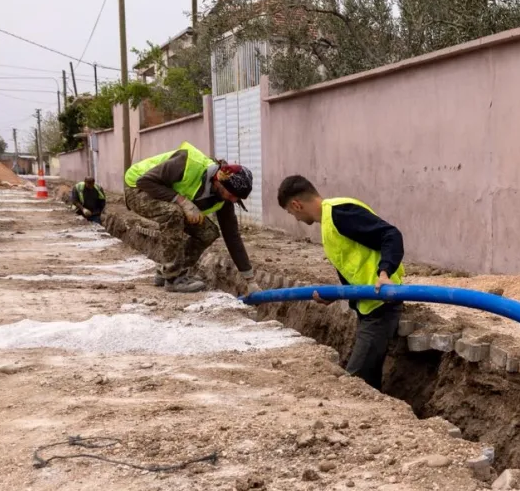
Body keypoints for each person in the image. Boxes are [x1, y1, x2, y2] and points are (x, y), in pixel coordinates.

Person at [276, 175, 404, 391]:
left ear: (297, 205)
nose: (295, 218)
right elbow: (355, 266)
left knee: (354, 383)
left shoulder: (340, 214)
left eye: (291, 212)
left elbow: (391, 235)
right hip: (368, 305)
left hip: (381, 305)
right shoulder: (329, 222)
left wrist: (385, 273)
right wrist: (337, 294)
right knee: (367, 378)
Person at [122, 141, 260, 294]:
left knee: (208, 232)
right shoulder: (188, 163)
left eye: (237, 198)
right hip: (137, 188)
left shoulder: (224, 199)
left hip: (163, 197)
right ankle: (173, 278)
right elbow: (144, 181)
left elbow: (232, 236)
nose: (233, 200)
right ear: (219, 181)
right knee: (174, 213)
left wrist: (250, 280)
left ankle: (166, 271)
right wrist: (182, 201)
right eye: (232, 195)